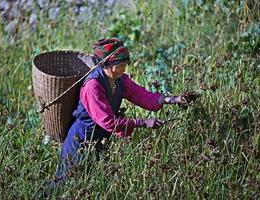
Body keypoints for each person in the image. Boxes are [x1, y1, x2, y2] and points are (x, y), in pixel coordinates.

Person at [45, 38, 194, 195]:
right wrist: (142, 122)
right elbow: (108, 121)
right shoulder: (92, 86)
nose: (124, 68)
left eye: (125, 64)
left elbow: (142, 95)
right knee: (64, 185)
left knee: (91, 185)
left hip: (99, 142)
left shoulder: (120, 80)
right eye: (120, 64)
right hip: (80, 143)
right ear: (107, 64)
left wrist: (173, 99)